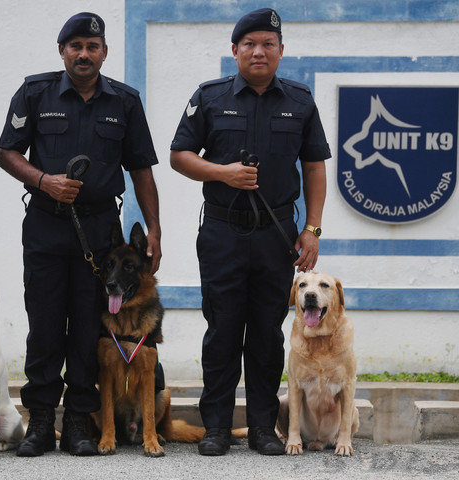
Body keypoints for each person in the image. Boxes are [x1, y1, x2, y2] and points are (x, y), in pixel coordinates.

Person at [0, 12, 161, 457]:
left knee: (91, 328)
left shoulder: (124, 102)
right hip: (48, 224)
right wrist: (41, 179)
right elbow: (5, 152)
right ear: (62, 51)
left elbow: (141, 167)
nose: (83, 54)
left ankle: (78, 425)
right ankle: (41, 421)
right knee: (45, 326)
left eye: (92, 46)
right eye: (75, 46)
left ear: (104, 52)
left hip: (100, 233)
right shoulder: (35, 92)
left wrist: (156, 229)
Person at [170, 8, 329, 456]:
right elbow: (180, 154)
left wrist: (312, 229)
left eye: (268, 44)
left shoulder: (300, 100)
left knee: (266, 334)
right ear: (235, 50)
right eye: (250, 45)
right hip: (222, 234)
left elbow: (315, 166)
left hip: (277, 236)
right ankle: (217, 427)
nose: (259, 52)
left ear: (281, 51)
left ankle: (262, 428)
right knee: (221, 332)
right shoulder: (210, 95)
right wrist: (222, 174)